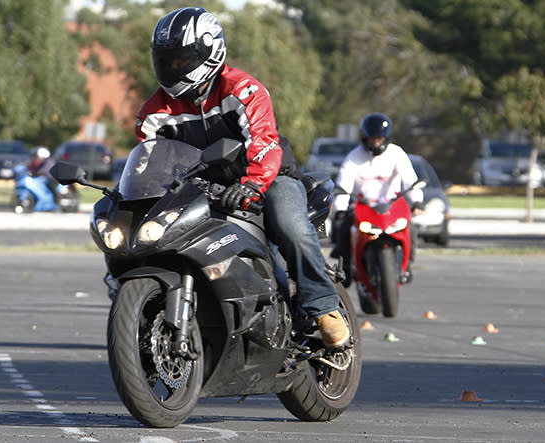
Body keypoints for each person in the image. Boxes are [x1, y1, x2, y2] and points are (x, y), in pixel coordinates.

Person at [128, 6, 349, 348]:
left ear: (210, 51)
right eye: (167, 60)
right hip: (200, 188)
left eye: (182, 60)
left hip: (267, 178)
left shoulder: (242, 90)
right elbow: (146, 164)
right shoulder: (154, 112)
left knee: (291, 225)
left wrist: (251, 183)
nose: (173, 68)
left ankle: (323, 308)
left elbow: (263, 143)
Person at [331, 113, 424, 286]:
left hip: (392, 206)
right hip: (363, 205)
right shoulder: (354, 157)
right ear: (365, 138)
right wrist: (341, 210)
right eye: (372, 139)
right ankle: (345, 269)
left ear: (386, 138)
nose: (376, 142)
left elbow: (410, 181)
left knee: (409, 227)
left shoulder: (397, 154)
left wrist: (417, 201)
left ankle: (407, 265)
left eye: (379, 138)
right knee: (343, 228)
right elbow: (343, 184)